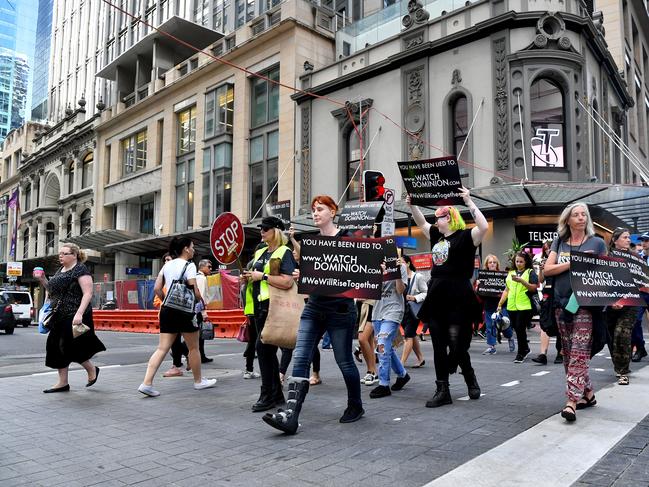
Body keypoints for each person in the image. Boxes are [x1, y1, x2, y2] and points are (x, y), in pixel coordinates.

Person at [263, 195, 363, 434]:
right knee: (300, 357)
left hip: (340, 311)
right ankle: (291, 415)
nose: (315, 213)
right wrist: (302, 277)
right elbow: (311, 276)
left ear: (332, 211)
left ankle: (356, 405)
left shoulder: (348, 239)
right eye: (313, 210)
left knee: (344, 360)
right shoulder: (312, 243)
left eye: (320, 209)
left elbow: (357, 273)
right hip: (314, 308)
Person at [408, 187, 489, 408]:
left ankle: (469, 375)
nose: (436, 220)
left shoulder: (466, 236)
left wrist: (469, 201)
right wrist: (412, 204)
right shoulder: (436, 235)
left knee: (458, 344)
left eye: (439, 217)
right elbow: (421, 223)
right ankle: (442, 389)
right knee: (437, 344)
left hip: (458, 294)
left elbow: (483, 226)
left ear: (450, 217)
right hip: (437, 294)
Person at [543, 202, 606, 422]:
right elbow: (547, 270)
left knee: (579, 352)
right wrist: (574, 262)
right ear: (567, 220)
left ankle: (571, 402)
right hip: (561, 305)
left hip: (585, 305)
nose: (580, 218)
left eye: (584, 215)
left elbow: (605, 274)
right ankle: (587, 394)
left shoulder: (597, 243)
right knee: (569, 354)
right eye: (576, 215)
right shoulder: (559, 242)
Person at [138, 237, 216, 396]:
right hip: (184, 311)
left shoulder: (167, 265)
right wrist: (199, 300)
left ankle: (147, 383)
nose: (194, 250)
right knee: (193, 347)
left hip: (167, 309)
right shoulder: (189, 265)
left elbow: (157, 289)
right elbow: (194, 289)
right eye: (192, 247)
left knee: (162, 348)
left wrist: (166, 299)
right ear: (186, 249)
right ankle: (198, 381)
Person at [242, 216, 297, 412]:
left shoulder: (285, 252)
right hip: (258, 307)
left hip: (273, 307)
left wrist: (262, 276)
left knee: (263, 350)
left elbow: (287, 281)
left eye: (265, 228)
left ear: (276, 231)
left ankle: (267, 395)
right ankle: (276, 394)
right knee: (268, 352)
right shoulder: (261, 251)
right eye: (261, 229)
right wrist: (249, 277)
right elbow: (256, 277)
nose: (261, 232)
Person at [36, 243, 105, 393]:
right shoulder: (61, 270)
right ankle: (63, 383)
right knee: (55, 347)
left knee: (70, 347)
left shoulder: (80, 269)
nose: (60, 256)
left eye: (64, 253)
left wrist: (79, 314)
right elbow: (52, 291)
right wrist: (42, 280)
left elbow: (88, 293)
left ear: (74, 255)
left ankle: (92, 369)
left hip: (74, 314)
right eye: (59, 253)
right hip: (58, 315)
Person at [369, 257, 411, 398]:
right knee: (386, 348)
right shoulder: (372, 266)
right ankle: (402, 375)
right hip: (377, 312)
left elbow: (400, 290)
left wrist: (396, 272)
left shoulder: (401, 267)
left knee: (382, 346)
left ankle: (383, 384)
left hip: (393, 310)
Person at [606, 228, 641, 385]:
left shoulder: (635, 258)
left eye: (629, 238)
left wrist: (624, 299)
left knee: (622, 334)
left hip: (630, 304)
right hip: (610, 304)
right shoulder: (605, 257)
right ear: (615, 240)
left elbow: (640, 282)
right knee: (611, 336)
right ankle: (618, 365)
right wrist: (611, 301)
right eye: (625, 237)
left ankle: (623, 371)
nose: (628, 240)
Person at [497, 251, 538, 363]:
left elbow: (534, 288)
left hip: (525, 306)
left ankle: (521, 353)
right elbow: (507, 289)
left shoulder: (530, 272)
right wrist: (500, 303)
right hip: (512, 306)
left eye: (521, 261)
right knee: (517, 329)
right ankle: (525, 348)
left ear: (526, 262)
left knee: (520, 328)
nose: (518, 263)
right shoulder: (511, 273)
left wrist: (522, 281)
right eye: (517, 261)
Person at [154, 253, 190, 378]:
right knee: (174, 340)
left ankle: (178, 365)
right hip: (169, 310)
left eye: (168, 259)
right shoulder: (166, 275)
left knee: (171, 341)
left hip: (176, 310)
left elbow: (157, 290)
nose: (166, 262)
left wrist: (166, 301)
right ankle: (181, 361)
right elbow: (158, 293)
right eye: (164, 260)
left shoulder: (178, 273)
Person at [532, 240, 563, 365]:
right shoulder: (545, 262)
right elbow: (540, 280)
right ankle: (542, 354)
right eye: (546, 249)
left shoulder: (562, 261)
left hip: (559, 294)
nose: (548, 251)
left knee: (560, 323)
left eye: (550, 248)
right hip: (547, 294)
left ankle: (560, 352)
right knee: (544, 323)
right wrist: (541, 269)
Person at [478, 254, 515, 355]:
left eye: (494, 262)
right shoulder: (483, 277)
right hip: (489, 306)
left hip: (501, 305)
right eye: (490, 262)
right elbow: (480, 296)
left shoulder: (503, 276)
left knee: (504, 324)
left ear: (497, 264)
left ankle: (510, 337)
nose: (492, 264)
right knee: (490, 327)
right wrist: (478, 287)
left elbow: (508, 290)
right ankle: (492, 347)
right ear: (487, 265)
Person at [400, 254, 428, 367]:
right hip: (402, 310)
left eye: (401, 262)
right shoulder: (399, 277)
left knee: (408, 336)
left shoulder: (418, 277)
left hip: (413, 310)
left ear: (408, 263)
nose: (399, 264)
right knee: (411, 334)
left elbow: (426, 292)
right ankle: (421, 358)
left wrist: (414, 298)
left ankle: (401, 363)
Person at [631, 232, 649, 362]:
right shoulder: (638, 257)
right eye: (642, 240)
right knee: (635, 320)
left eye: (646, 240)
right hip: (641, 293)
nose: (644, 243)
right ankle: (641, 349)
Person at [195, 259, 214, 363]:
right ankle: (182, 350)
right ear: (202, 267)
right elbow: (200, 297)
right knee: (200, 335)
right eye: (209, 267)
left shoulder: (197, 277)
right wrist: (203, 313)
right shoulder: (202, 278)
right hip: (198, 311)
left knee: (198, 335)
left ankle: (201, 355)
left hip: (195, 310)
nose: (211, 269)